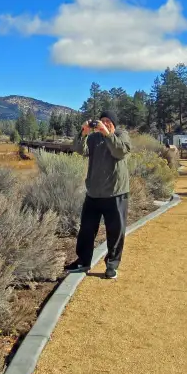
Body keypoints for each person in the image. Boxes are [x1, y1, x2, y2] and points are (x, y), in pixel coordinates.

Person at [64, 111, 132, 280]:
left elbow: (119, 152)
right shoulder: (94, 139)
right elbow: (79, 150)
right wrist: (83, 133)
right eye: (102, 121)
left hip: (116, 192)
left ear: (114, 124)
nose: (105, 123)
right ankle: (83, 261)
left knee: (115, 231)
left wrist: (107, 134)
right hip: (94, 193)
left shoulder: (122, 135)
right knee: (86, 229)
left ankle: (112, 265)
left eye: (108, 121)